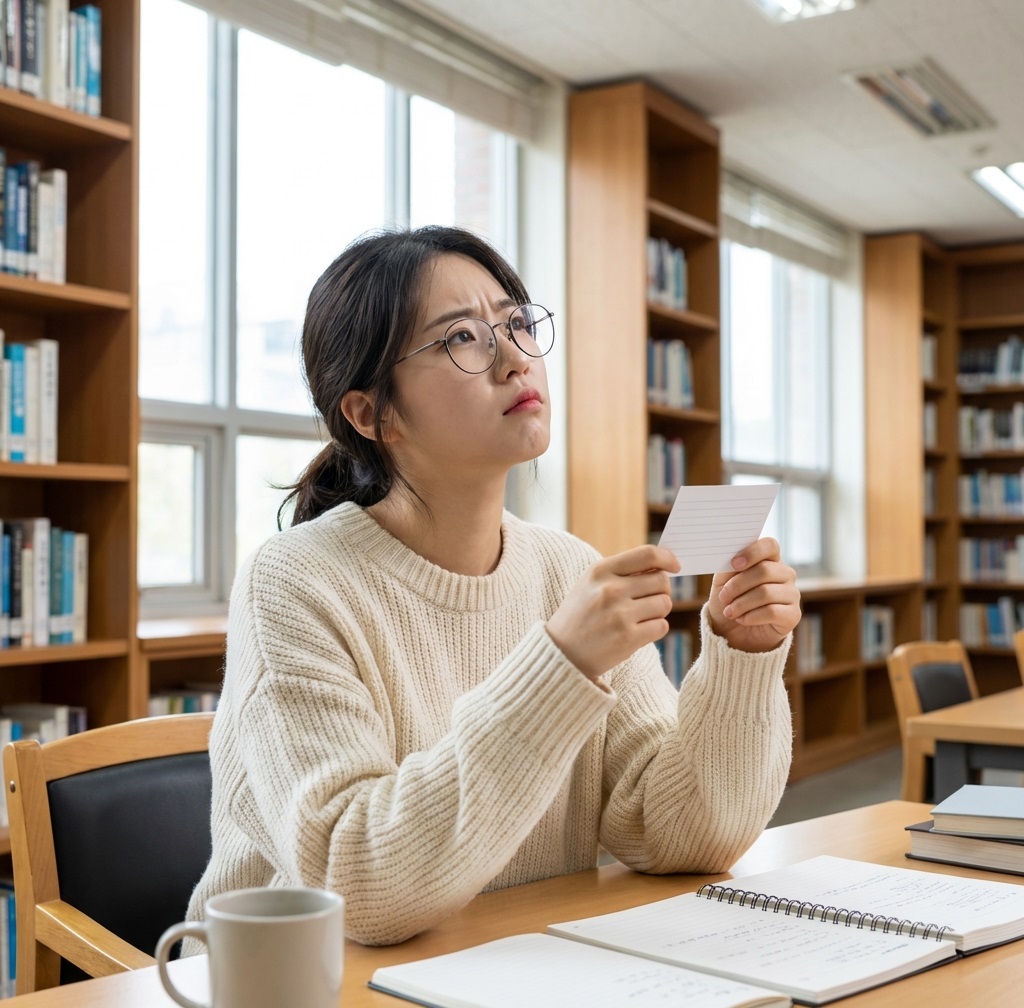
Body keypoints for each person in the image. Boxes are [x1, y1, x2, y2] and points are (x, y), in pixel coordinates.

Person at [183, 225, 801, 949]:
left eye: (515, 323)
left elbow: (683, 835)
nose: (513, 358)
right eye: (463, 339)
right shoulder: (291, 582)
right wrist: (559, 666)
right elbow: (360, 888)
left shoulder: (565, 568)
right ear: (369, 413)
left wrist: (741, 660)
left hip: (506, 966)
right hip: (294, 984)